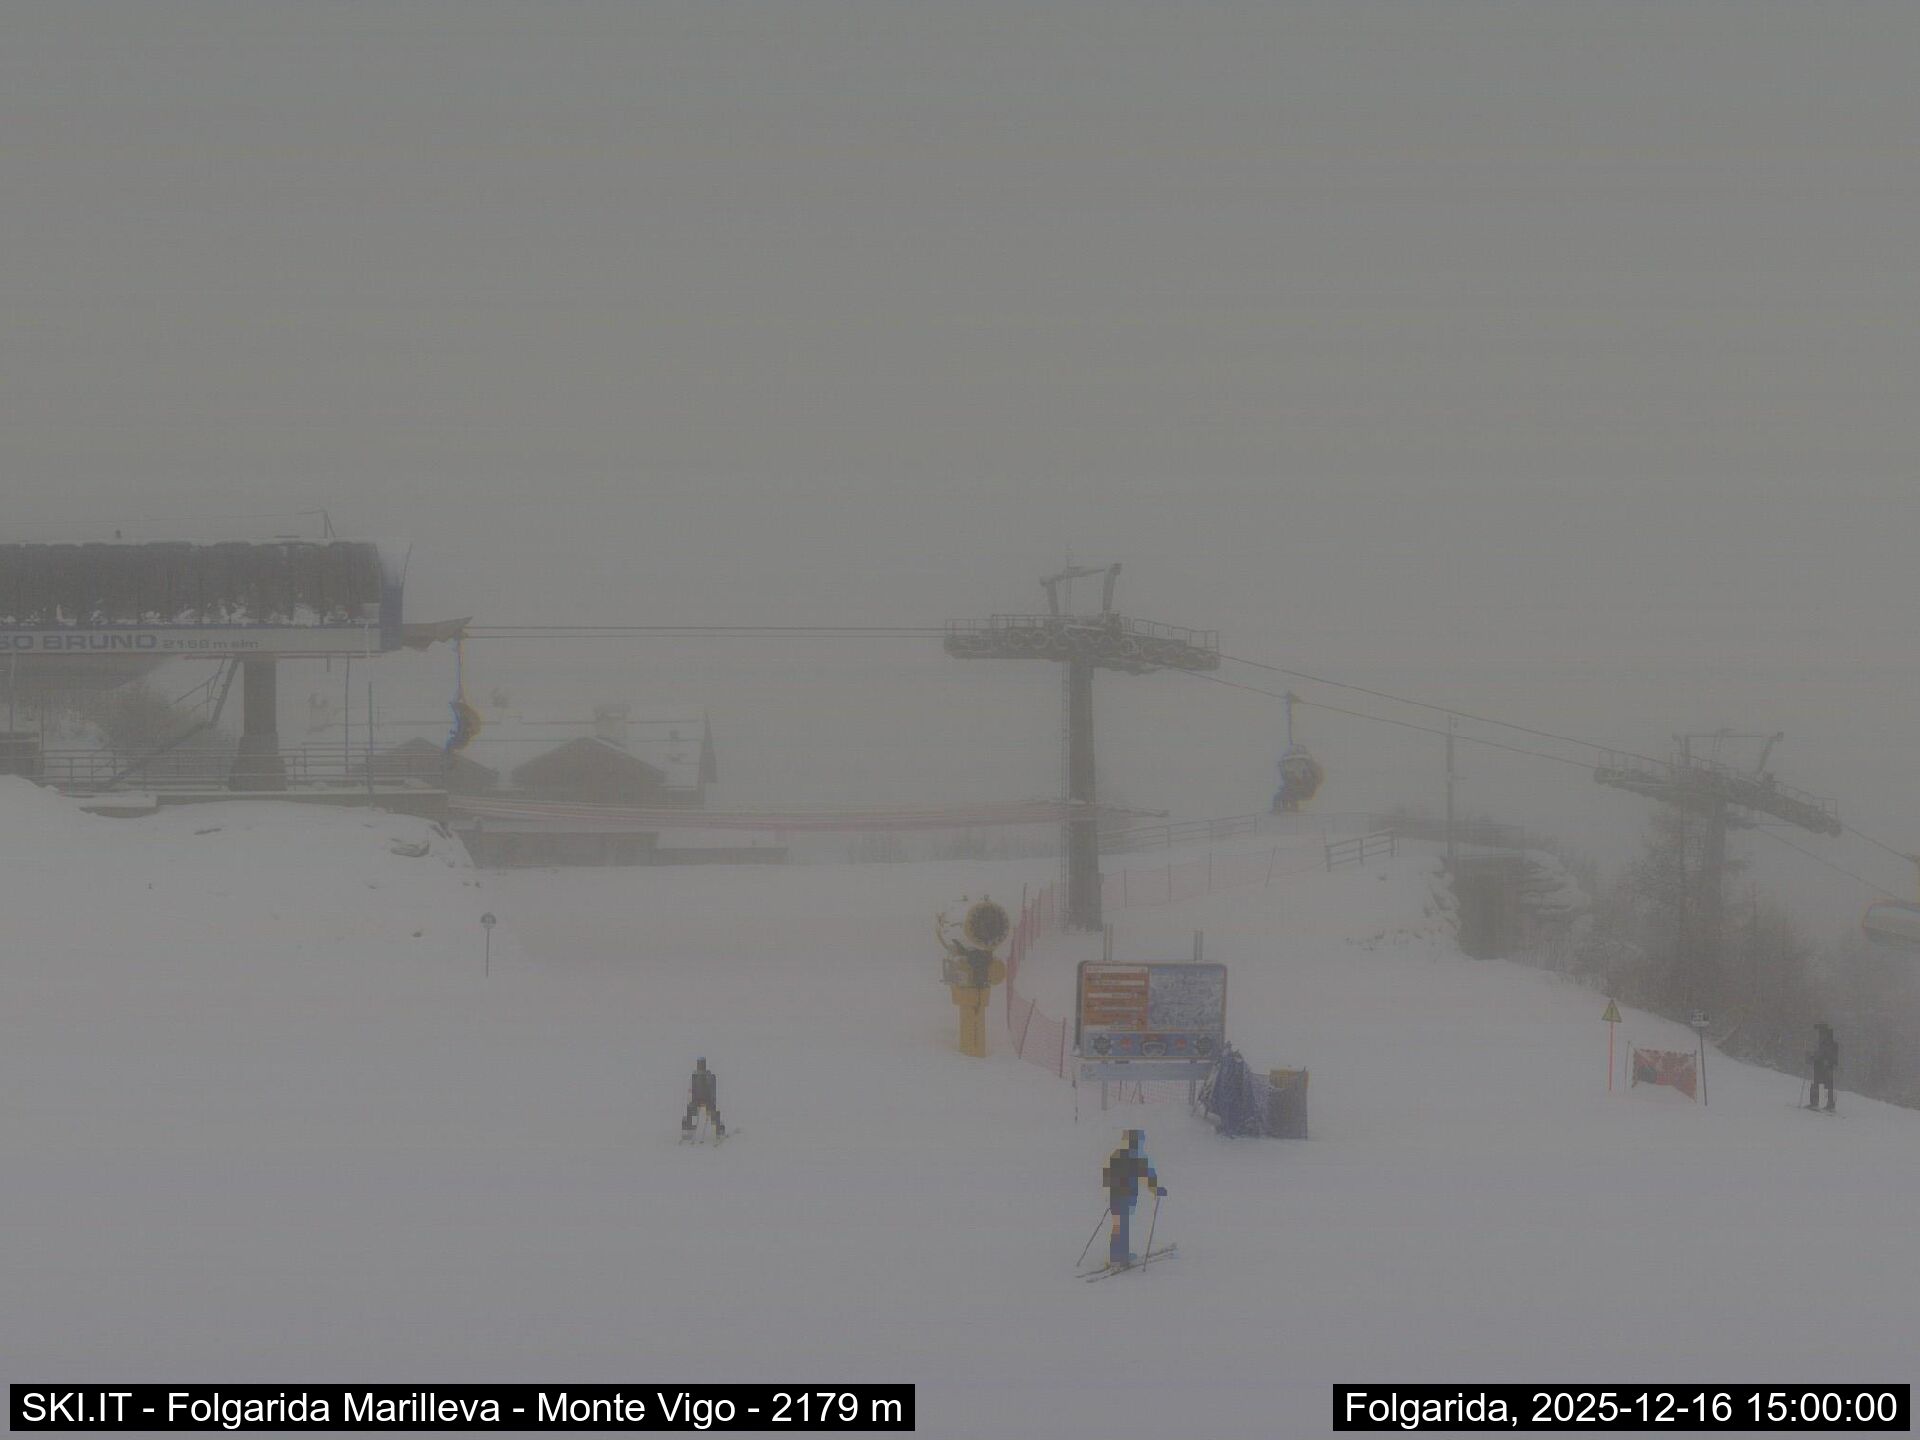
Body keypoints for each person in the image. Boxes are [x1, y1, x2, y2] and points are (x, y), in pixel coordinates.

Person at [1101, 1129, 1166, 1268]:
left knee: (1119, 1226)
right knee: (1121, 1226)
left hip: (1116, 1196)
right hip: (1124, 1197)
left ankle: (1118, 1255)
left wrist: (1108, 1192)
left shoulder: (1117, 1154)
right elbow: (1147, 1176)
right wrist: (1156, 1189)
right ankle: (1118, 1257)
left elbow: (1108, 1174)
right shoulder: (1136, 1158)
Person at [682, 1057, 725, 1140]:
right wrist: (691, 1100)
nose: (700, 1068)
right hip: (697, 1100)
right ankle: (688, 1129)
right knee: (690, 1110)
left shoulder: (710, 1077)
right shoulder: (695, 1077)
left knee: (714, 1113)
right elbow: (692, 1090)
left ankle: (719, 1130)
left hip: (708, 1100)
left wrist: (713, 1100)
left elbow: (713, 1090)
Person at [1807, 1023, 1839, 1112]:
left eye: (1820, 1031)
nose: (1819, 1033)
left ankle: (1816, 1103)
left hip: (1824, 1066)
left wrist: (1813, 1057)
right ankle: (1830, 1104)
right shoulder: (1829, 1041)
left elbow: (1822, 1053)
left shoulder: (1826, 1042)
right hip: (1826, 1066)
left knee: (1819, 1084)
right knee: (1828, 1085)